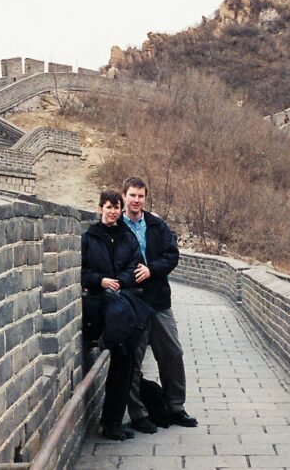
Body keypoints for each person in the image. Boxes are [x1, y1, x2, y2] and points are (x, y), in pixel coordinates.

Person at [121, 177, 198, 433]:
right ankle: (139, 413)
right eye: (132, 195)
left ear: (145, 198)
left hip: (158, 301)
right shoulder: (117, 228)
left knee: (173, 353)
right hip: (132, 303)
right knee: (134, 360)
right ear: (124, 196)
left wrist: (151, 270)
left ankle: (176, 407)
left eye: (141, 196)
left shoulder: (156, 225)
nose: (136, 200)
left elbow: (172, 256)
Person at [81, 190, 145, 441]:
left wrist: (119, 281)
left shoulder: (127, 238)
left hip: (122, 301)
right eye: (108, 207)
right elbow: (82, 271)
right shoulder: (89, 238)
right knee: (123, 350)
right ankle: (110, 423)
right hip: (98, 305)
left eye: (116, 207)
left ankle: (113, 421)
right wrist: (101, 281)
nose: (113, 211)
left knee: (125, 360)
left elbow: (136, 266)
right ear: (99, 208)